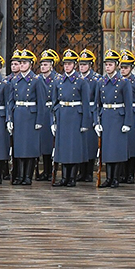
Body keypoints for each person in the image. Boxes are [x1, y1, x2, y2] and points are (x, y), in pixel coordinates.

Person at [6, 50, 49, 185]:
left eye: (24, 63)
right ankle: (19, 176)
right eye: (21, 63)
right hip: (19, 114)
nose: (22, 65)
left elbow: (41, 102)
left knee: (29, 148)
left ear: (30, 64)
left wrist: (39, 120)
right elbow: (10, 101)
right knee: (19, 148)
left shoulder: (36, 81)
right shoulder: (15, 80)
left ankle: (27, 176)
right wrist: (9, 119)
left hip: (31, 116)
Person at [50, 50, 92, 187]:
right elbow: (54, 101)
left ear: (75, 65)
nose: (67, 67)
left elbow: (86, 103)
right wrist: (54, 119)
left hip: (75, 115)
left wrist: (85, 122)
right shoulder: (59, 81)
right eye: (65, 64)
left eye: (70, 64)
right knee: (63, 148)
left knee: (73, 148)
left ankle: (72, 177)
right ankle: (64, 177)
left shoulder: (81, 82)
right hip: (63, 115)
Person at [95, 50, 135, 187]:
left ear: (116, 65)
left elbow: (129, 104)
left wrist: (128, 122)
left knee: (116, 149)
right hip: (106, 116)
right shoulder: (101, 82)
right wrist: (97, 121)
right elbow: (97, 104)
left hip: (118, 116)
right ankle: (108, 177)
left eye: (110, 64)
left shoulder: (123, 82)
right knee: (107, 149)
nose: (108, 67)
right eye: (106, 64)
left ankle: (115, 178)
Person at [35, 50, 61, 181]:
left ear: (52, 65)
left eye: (46, 64)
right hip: (41, 110)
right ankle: (43, 170)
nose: (43, 67)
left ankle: (50, 170)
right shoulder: (38, 79)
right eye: (42, 65)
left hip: (51, 111)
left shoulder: (57, 79)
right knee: (42, 143)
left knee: (50, 142)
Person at [119, 50, 135, 183]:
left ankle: (130, 174)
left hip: (132, 114)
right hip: (121, 114)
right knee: (122, 145)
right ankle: (121, 173)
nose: (123, 70)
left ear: (131, 68)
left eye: (126, 67)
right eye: (121, 67)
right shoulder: (118, 81)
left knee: (132, 146)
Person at [77, 49, 100, 181]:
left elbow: (97, 98)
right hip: (79, 111)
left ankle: (89, 172)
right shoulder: (77, 79)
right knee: (81, 142)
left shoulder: (96, 79)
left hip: (91, 111)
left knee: (90, 143)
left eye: (85, 64)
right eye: (81, 64)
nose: (82, 67)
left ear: (90, 65)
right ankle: (81, 171)